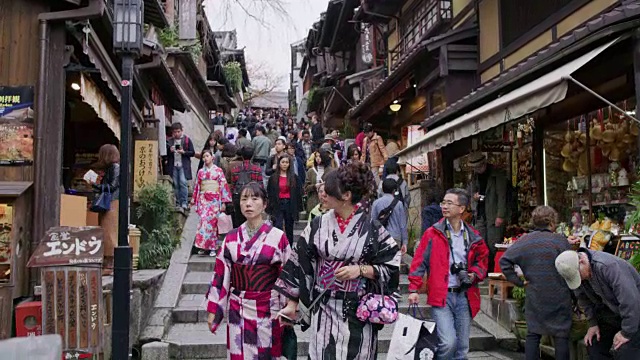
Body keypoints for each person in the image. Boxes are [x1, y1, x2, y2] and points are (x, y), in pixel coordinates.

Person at [275, 163, 401, 360]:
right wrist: (292, 304)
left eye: (329, 190)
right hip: (323, 306)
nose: (323, 193)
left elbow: (392, 263)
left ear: (346, 196)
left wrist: (361, 270)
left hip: (359, 309)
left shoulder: (372, 229)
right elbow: (298, 262)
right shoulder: (318, 225)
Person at [205, 182, 292, 359]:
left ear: (265, 203)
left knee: (267, 353)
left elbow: (288, 275)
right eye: (244, 199)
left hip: (268, 306)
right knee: (239, 354)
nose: (248, 203)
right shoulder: (231, 238)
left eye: (254, 198)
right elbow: (220, 275)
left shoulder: (278, 237)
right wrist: (213, 308)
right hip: (238, 306)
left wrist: (289, 306)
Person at [408, 188, 489, 359]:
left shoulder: (473, 235)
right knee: (447, 342)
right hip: (441, 295)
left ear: (461, 208)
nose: (444, 206)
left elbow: (482, 259)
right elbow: (419, 261)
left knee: (462, 347)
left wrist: (473, 274)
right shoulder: (432, 233)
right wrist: (414, 289)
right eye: (443, 202)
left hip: (465, 295)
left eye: (449, 203)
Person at [500, 206, 578, 360]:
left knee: (533, 333)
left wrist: (519, 282)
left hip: (535, 293)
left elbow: (504, 260)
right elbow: (571, 265)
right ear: (552, 222)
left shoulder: (524, 241)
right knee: (561, 335)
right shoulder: (560, 241)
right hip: (559, 293)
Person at [556, 248, 640, 359]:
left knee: (624, 351)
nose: (579, 279)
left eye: (578, 275)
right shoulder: (580, 273)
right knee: (594, 346)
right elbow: (583, 299)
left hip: (635, 315)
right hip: (612, 315)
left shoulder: (608, 267)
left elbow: (631, 301)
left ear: (582, 261)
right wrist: (593, 324)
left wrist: (626, 333)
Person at [468, 151, 507, 272]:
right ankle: (482, 270)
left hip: (493, 213)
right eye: (475, 167)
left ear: (484, 163)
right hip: (480, 213)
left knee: (493, 243)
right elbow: (470, 192)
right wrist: (474, 198)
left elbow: (502, 196)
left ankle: (492, 270)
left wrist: (500, 215)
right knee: (480, 244)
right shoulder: (474, 177)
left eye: (478, 167)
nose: (477, 169)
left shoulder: (497, 175)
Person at [191, 149, 232, 256]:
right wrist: (194, 199)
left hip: (214, 200)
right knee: (203, 222)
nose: (205, 158)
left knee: (213, 224)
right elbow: (197, 186)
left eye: (207, 156)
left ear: (212, 157)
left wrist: (224, 202)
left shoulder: (218, 171)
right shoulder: (200, 172)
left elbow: (223, 185)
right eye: (204, 156)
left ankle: (213, 247)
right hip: (203, 200)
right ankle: (204, 247)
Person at [89, 144, 120, 275]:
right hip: (110, 202)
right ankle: (107, 263)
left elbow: (112, 186)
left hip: (111, 202)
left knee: (109, 232)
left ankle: (110, 264)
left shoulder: (115, 167)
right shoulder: (112, 167)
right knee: (105, 231)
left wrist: (95, 185)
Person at [267, 154, 301, 244]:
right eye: (283, 162)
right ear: (279, 163)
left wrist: (298, 209)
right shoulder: (273, 178)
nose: (285, 164)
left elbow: (298, 194)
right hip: (277, 204)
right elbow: (269, 193)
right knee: (277, 226)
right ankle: (277, 246)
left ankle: (289, 247)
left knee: (289, 227)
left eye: (287, 162)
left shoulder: (294, 178)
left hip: (290, 204)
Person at [229, 146, 264, 228]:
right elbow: (260, 185)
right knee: (252, 219)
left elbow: (233, 186)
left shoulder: (235, 169)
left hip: (239, 197)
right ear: (252, 155)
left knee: (239, 221)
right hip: (253, 196)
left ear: (241, 155)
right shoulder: (257, 169)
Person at [371, 178, 408, 254]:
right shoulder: (399, 204)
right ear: (394, 191)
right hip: (395, 238)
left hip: (380, 238)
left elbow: (372, 222)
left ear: (383, 189)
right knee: (394, 264)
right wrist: (404, 242)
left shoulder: (376, 203)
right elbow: (402, 225)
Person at [166, 122, 195, 209]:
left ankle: (184, 202)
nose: (176, 134)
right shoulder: (169, 141)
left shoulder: (187, 140)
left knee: (183, 183)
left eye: (178, 131)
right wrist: (169, 150)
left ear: (182, 131)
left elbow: (192, 152)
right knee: (176, 184)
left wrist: (184, 152)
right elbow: (164, 154)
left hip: (183, 165)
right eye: (175, 132)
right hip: (173, 164)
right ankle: (178, 202)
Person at [304, 149, 334, 214]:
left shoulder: (331, 171)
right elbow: (306, 187)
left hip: (327, 202)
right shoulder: (311, 171)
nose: (317, 158)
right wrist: (314, 186)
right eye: (316, 156)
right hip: (313, 201)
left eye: (319, 156)